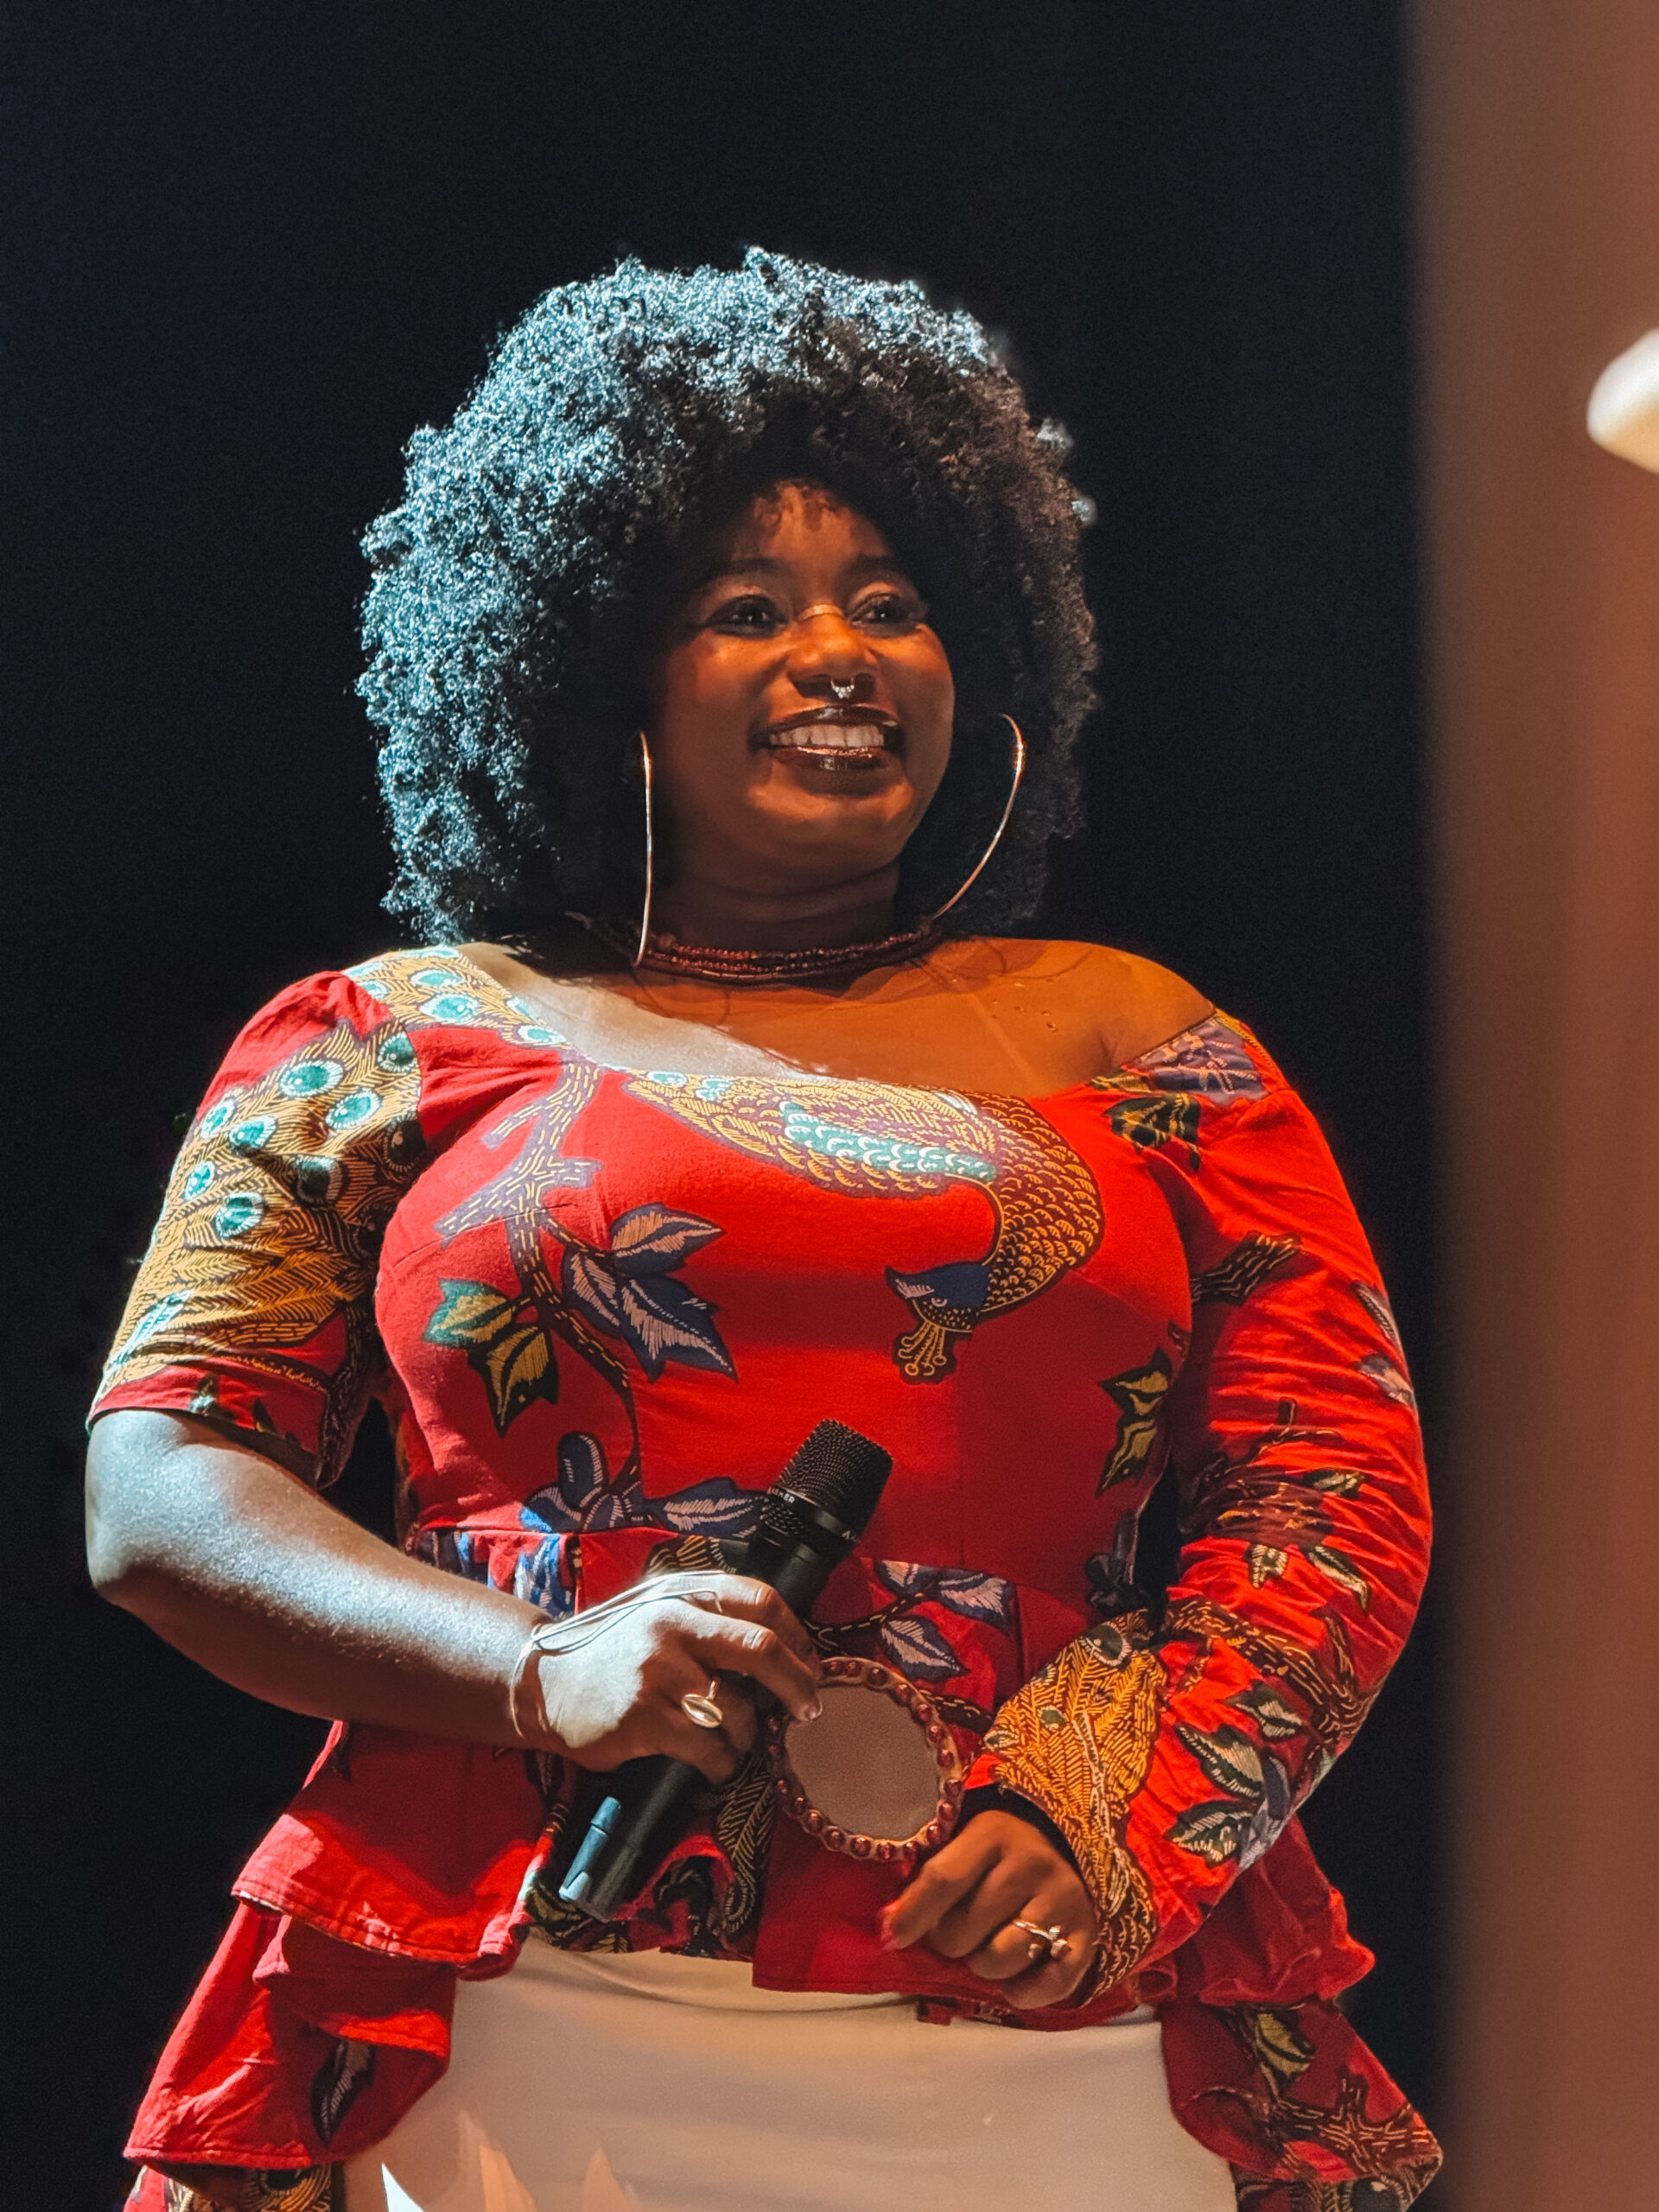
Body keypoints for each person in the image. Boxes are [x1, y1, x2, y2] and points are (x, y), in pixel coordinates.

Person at [87, 253, 1439, 2212]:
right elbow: (161, 1487)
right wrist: (539, 1666)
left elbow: (1334, 1489)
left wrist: (1120, 1810)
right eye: (747, 610)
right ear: (591, 673)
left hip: (1042, 1997)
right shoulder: (382, 1037)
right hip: (516, 1988)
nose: (840, 653)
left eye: (891, 603)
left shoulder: (1146, 1043)